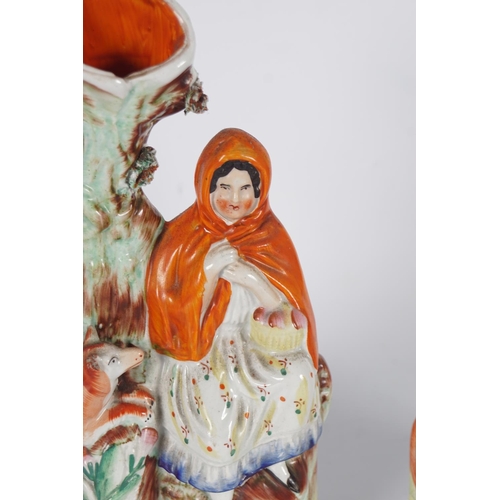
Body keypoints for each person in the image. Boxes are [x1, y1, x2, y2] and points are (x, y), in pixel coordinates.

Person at [146, 128, 322, 497]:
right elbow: (168, 313)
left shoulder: (269, 236)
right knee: (219, 407)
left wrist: (254, 281)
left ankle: (273, 459)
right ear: (206, 185)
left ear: (260, 191)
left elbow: (289, 311)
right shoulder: (182, 237)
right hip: (200, 354)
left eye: (245, 189)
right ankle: (219, 487)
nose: (234, 199)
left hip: (254, 345)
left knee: (298, 375)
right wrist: (208, 274)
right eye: (224, 187)